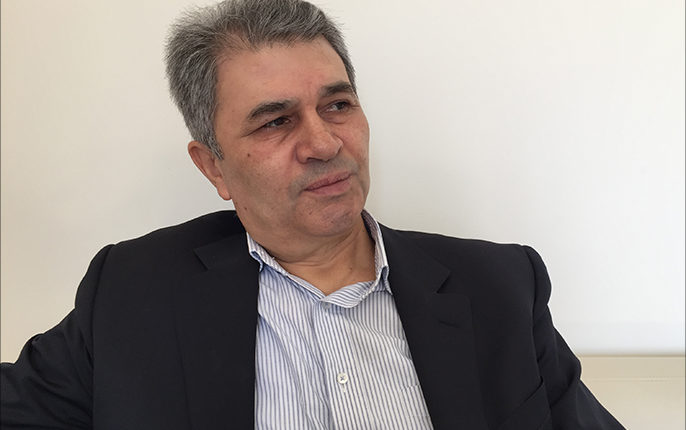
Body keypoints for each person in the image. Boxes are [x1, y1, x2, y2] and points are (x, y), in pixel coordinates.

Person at [1, 0, 625, 429]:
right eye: (275, 121)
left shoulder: (499, 287)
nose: (324, 143)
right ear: (213, 166)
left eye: (338, 105)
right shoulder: (134, 289)